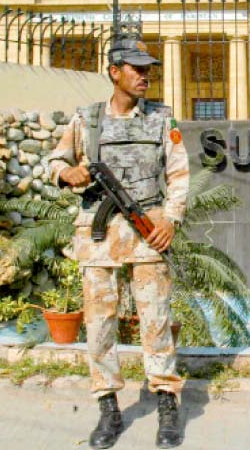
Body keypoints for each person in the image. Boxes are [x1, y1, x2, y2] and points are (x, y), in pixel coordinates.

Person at [47, 36, 189, 449]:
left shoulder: (162, 119)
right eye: (136, 68)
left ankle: (166, 403)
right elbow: (55, 161)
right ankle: (108, 407)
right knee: (100, 326)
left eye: (148, 69)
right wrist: (66, 174)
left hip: (148, 231)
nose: (145, 75)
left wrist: (171, 218)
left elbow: (178, 176)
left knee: (156, 320)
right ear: (114, 71)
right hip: (99, 237)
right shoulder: (86, 120)